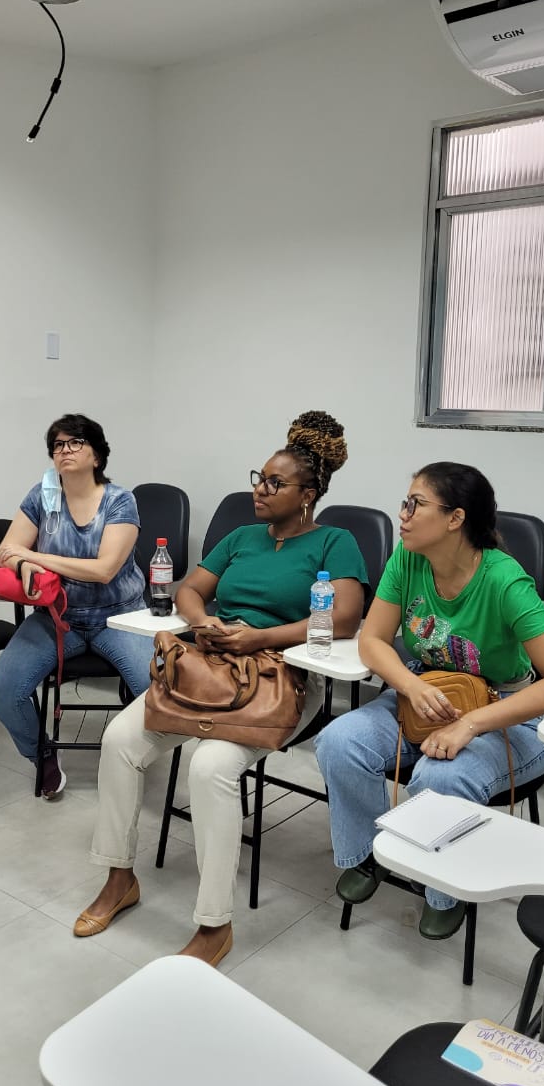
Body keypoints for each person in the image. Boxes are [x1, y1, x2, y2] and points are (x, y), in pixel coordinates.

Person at [73, 411, 368, 966]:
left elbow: (345, 618)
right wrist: (203, 621)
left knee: (210, 768)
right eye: (259, 478)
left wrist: (259, 637)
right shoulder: (241, 537)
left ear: (307, 496)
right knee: (119, 741)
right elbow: (190, 590)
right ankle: (118, 878)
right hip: (209, 668)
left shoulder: (335, 542)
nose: (259, 489)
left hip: (281, 679)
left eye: (275, 483)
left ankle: (214, 925)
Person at [316, 462, 544, 940]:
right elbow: (373, 641)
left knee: (439, 776)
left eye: (415, 504)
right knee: (339, 742)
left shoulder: (504, 581)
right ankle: (369, 855)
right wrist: (411, 686)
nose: (402, 514)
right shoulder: (408, 559)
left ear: (455, 518)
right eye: (405, 502)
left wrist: (470, 725)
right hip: (426, 697)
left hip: (509, 714)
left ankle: (441, 890)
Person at [0, 413, 155, 798]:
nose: (65, 450)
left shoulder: (119, 500)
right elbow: (4, 552)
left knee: (154, 686)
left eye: (75, 442)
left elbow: (104, 570)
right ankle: (41, 754)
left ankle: (133, 753)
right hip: (57, 617)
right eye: (58, 445)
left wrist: (35, 557)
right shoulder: (43, 496)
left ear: (97, 455)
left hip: (119, 616)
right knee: (2, 687)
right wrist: (22, 563)